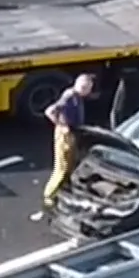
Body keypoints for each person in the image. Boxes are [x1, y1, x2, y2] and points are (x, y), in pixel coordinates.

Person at [37, 73, 96, 218]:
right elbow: (50, 111)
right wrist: (62, 126)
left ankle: (61, 193)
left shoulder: (76, 96)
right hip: (65, 137)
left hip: (71, 135)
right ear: (81, 86)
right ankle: (49, 197)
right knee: (61, 169)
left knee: (69, 166)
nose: (88, 91)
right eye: (87, 88)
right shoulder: (69, 97)